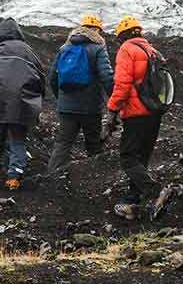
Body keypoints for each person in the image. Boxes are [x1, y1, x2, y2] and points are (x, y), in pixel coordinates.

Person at [104, 16, 168, 219]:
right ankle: (133, 201)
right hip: (154, 112)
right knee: (142, 157)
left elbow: (122, 85)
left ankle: (155, 190)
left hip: (136, 112)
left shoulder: (127, 50)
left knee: (128, 156)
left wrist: (112, 111)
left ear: (122, 35)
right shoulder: (153, 51)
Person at [0, 17, 45, 192]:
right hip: (22, 103)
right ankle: (14, 177)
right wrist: (37, 98)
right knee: (17, 138)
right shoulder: (28, 51)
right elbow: (41, 75)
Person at [46, 14, 116, 179]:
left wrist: (61, 99)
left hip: (66, 107)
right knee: (93, 144)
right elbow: (106, 76)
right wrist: (114, 100)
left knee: (63, 143)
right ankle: (95, 181)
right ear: (97, 30)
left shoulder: (65, 48)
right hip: (90, 107)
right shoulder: (98, 48)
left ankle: (51, 178)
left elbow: (53, 78)